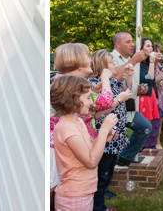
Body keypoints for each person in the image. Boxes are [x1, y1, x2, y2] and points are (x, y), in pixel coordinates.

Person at [49, 43, 119, 210]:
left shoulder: (78, 121)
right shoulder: (66, 127)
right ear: (73, 99)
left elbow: (90, 152)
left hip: (84, 191)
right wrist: (103, 131)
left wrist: (103, 137)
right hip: (73, 196)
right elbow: (91, 161)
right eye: (88, 98)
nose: (92, 102)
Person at [87, 49, 132, 211]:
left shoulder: (112, 81)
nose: (115, 64)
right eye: (112, 62)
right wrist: (119, 99)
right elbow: (100, 112)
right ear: (102, 66)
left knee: (107, 172)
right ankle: (98, 207)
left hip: (114, 134)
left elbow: (128, 88)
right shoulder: (94, 84)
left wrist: (129, 74)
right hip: (103, 137)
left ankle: (100, 204)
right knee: (101, 175)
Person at [109, 32, 152, 167]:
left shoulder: (130, 59)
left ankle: (125, 156)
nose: (132, 44)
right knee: (142, 127)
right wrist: (133, 60)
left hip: (127, 106)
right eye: (128, 42)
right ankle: (122, 158)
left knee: (144, 127)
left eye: (132, 41)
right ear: (118, 44)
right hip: (114, 107)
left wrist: (138, 90)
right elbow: (114, 77)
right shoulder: (111, 58)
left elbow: (127, 84)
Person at [137, 38, 163, 149]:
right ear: (141, 48)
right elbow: (149, 78)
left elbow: (153, 80)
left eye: (151, 46)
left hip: (151, 93)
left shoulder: (147, 62)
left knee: (149, 122)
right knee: (144, 123)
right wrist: (152, 62)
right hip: (143, 95)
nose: (151, 49)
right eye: (148, 46)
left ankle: (143, 147)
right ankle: (139, 147)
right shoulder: (139, 63)